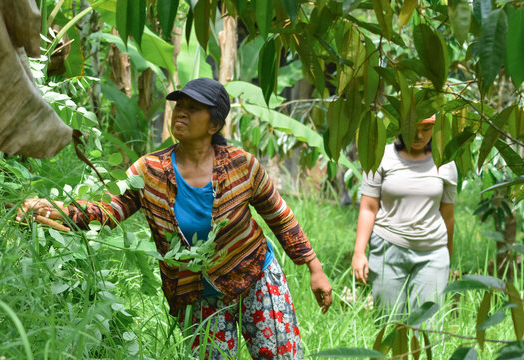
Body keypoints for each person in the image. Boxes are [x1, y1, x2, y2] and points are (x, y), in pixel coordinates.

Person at [17, 78, 333, 359]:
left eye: (193, 108)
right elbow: (108, 210)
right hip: (195, 290)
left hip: (254, 275)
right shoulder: (149, 170)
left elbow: (279, 215)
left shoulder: (242, 165)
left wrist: (314, 268)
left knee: (279, 355)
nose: (181, 112)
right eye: (179, 106)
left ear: (214, 125)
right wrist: (54, 208)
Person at [351, 115, 457, 318]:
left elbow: (448, 215)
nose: (418, 135)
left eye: (426, 129)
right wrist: (359, 252)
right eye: (412, 128)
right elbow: (368, 207)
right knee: (388, 323)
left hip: (433, 252)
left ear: (435, 129)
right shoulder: (380, 155)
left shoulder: (445, 162)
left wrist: (448, 257)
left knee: (429, 328)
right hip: (388, 248)